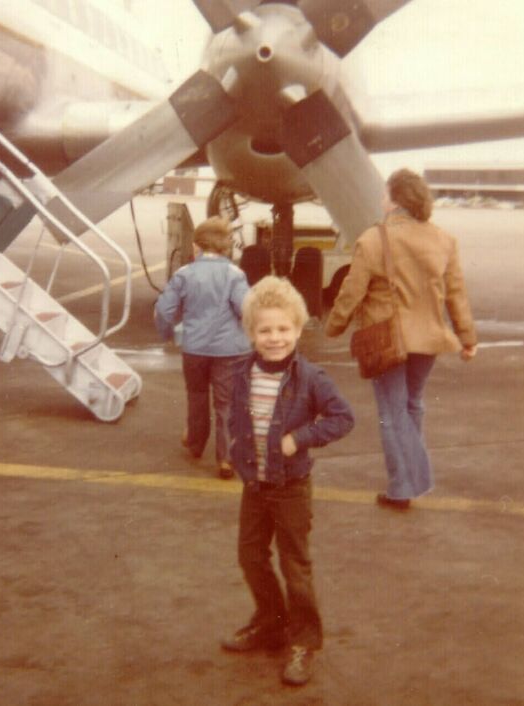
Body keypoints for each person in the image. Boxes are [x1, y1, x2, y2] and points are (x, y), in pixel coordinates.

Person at [221, 276, 354, 687]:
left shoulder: (311, 377)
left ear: (298, 329)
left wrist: (301, 438)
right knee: (250, 556)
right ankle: (271, 622)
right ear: (251, 333)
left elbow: (342, 418)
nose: (275, 338)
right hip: (255, 486)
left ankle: (304, 642)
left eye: (283, 329)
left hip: (291, 487)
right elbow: (235, 415)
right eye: (265, 330)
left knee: (295, 566)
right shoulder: (241, 371)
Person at [324, 168, 477, 510]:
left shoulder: (372, 240)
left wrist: (333, 326)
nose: (381, 200)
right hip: (429, 339)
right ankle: (410, 479)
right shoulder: (444, 240)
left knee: (392, 411)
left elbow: (352, 292)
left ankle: (404, 485)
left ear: (395, 201)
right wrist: (467, 337)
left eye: (385, 194)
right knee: (413, 404)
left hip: (387, 339)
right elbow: (456, 294)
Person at [154, 216, 251, 479]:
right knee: (226, 403)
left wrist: (167, 334)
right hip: (230, 351)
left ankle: (196, 444)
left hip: (194, 349)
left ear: (197, 246)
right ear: (225, 247)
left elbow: (164, 310)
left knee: (196, 395)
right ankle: (226, 459)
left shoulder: (184, 274)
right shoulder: (235, 275)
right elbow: (245, 309)